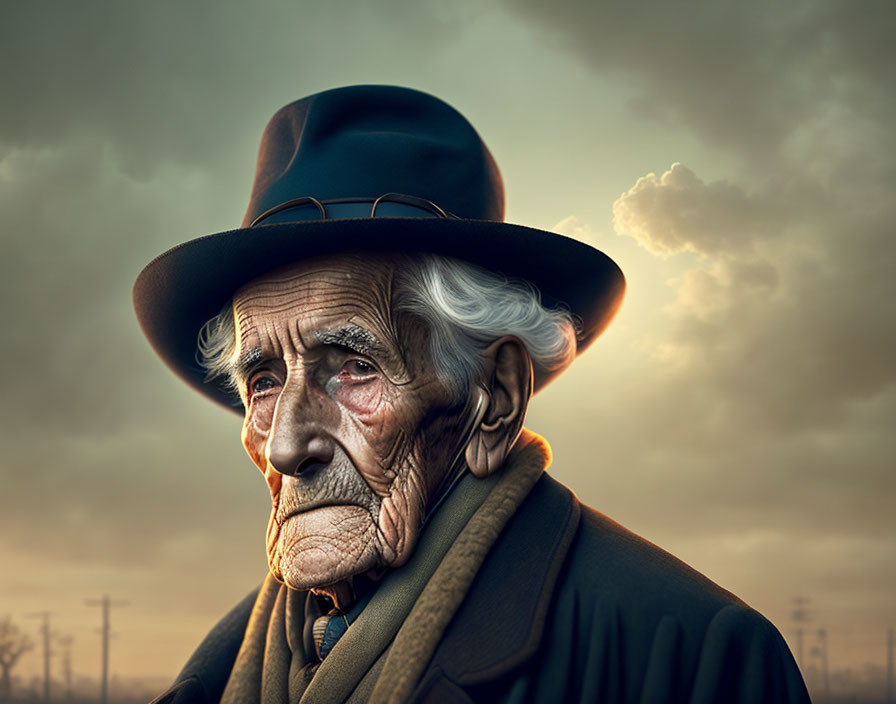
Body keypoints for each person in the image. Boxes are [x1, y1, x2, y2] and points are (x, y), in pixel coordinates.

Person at [135, 85, 810, 704]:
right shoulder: (218, 674)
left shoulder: (693, 661)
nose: (285, 445)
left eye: (351, 369)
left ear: (495, 400)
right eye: (265, 381)